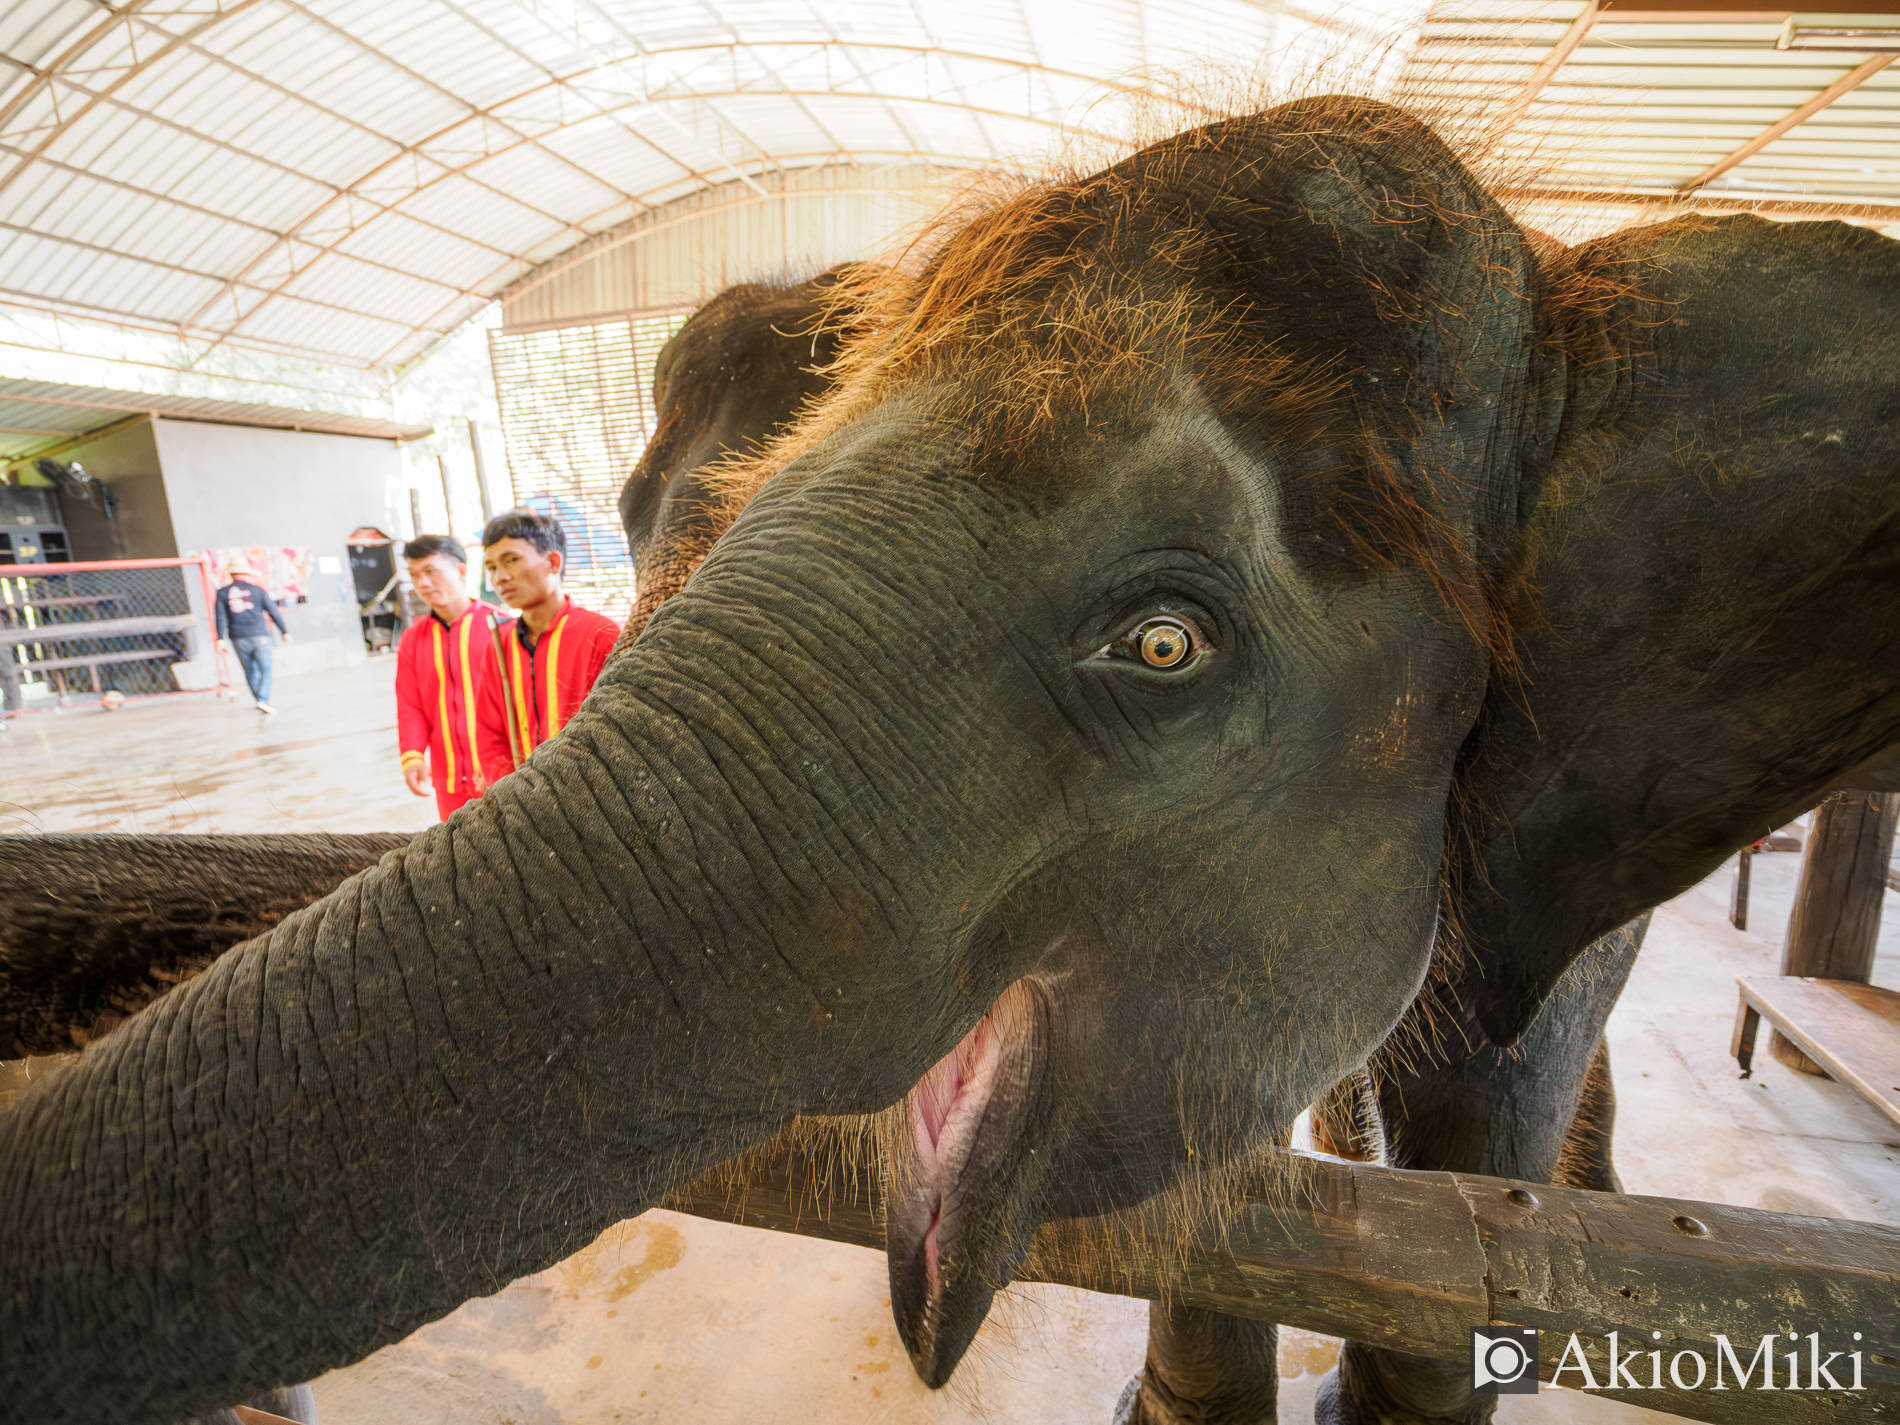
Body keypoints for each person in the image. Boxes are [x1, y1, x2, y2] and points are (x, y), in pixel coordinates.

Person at [474, 508, 619, 788]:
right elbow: (489, 733)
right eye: (491, 567)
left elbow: (612, 732)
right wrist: (512, 793)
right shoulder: (498, 644)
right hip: (520, 799)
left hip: (590, 792)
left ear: (553, 562)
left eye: (511, 560)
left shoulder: (601, 634)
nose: (499, 578)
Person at [395, 534, 502, 821]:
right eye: (414, 575)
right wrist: (413, 756)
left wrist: (499, 764)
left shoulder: (501, 627)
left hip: (502, 776)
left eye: (431, 571)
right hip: (449, 782)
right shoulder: (412, 640)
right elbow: (410, 706)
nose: (423, 583)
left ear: (461, 571)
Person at [214, 559, 290, 714]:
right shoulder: (258, 590)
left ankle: (259, 699)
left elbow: (221, 617)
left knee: (249, 670)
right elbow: (273, 611)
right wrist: (284, 631)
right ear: (247, 573)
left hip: (238, 637)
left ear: (231, 574)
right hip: (260, 635)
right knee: (266, 668)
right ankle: (263, 699)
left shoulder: (222, 592)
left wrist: (220, 638)